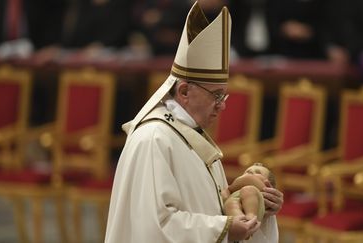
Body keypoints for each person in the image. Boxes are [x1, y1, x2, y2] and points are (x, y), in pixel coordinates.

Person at [105, 1, 283, 243]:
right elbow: (156, 226)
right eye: (216, 95)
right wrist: (226, 228)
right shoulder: (154, 139)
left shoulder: (191, 134)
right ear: (185, 91)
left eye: (224, 95)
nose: (223, 105)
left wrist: (257, 208)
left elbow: (213, 207)